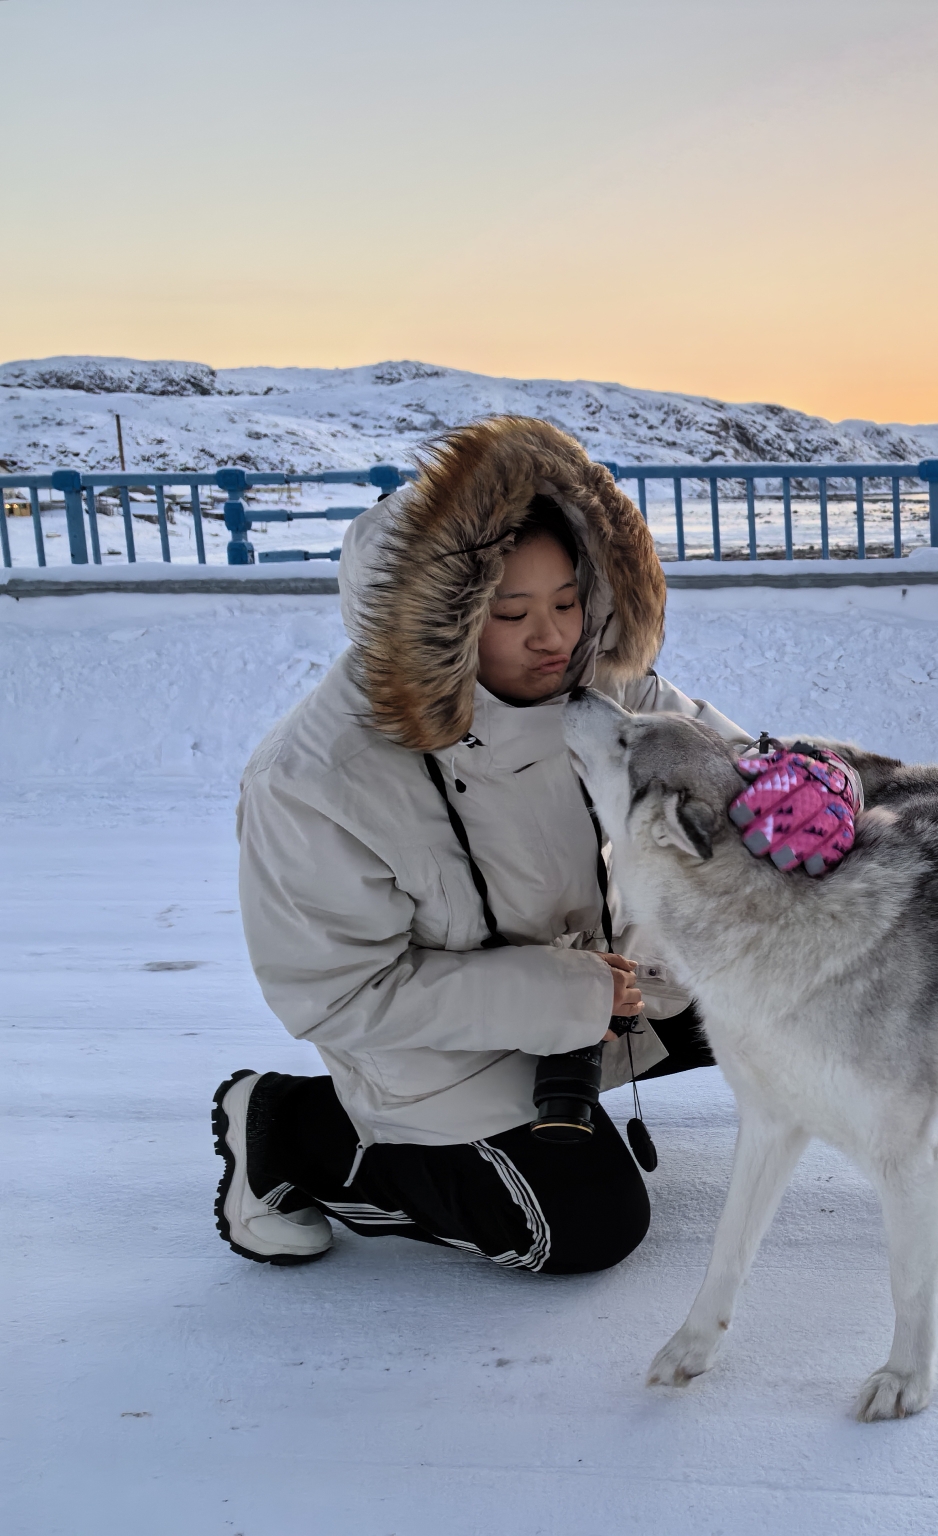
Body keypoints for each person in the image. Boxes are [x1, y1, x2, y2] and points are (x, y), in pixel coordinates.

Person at [213, 416, 755, 1274]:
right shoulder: (318, 778)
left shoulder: (607, 685)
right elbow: (340, 996)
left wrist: (820, 804)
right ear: (436, 621)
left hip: (611, 991)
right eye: (512, 613)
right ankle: (295, 1132)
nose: (555, 639)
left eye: (569, 602)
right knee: (586, 1228)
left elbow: (736, 782)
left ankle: (566, 1102)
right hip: (447, 1046)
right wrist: (563, 993)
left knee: (768, 987)